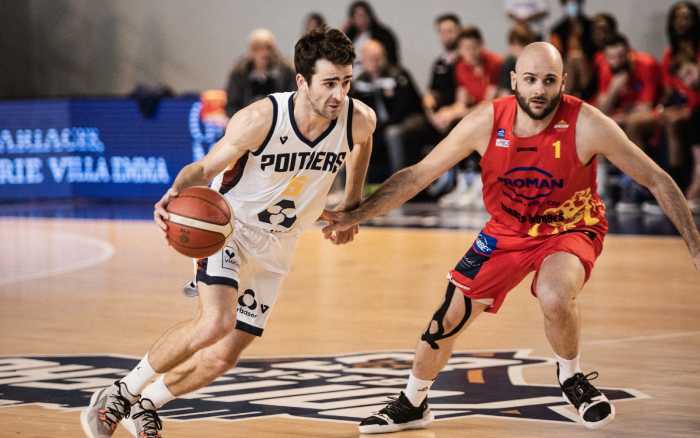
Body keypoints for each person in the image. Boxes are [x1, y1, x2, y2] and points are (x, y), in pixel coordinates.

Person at [322, 42, 700, 434]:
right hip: (505, 231)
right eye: (531, 79)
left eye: (549, 81)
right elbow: (418, 175)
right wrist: (358, 213)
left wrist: (695, 245)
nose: (539, 90)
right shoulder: (486, 121)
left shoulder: (587, 123)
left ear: (563, 83)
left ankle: (570, 377)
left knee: (555, 294)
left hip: (569, 229)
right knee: (446, 318)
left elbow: (656, 178)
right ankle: (414, 401)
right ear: (514, 80)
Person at [81, 27, 376, 438]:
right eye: (329, 83)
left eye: (346, 82)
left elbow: (363, 144)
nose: (339, 95)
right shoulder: (261, 119)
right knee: (215, 323)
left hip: (280, 245)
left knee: (223, 357)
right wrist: (175, 191)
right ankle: (119, 393)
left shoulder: (358, 119)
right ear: (302, 81)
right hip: (230, 228)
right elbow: (205, 167)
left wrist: (352, 204)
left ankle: (148, 405)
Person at [352, 39, 426, 178]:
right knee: (353, 134)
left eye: (378, 58)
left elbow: (404, 107)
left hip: (406, 121)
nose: (375, 62)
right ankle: (351, 188)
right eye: (370, 58)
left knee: (392, 133)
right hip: (377, 125)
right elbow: (356, 109)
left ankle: (398, 182)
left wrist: (381, 126)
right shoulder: (360, 81)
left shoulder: (398, 75)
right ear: (363, 59)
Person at [224, 28, 296, 117]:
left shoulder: (286, 71)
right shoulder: (239, 73)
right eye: (258, 48)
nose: (264, 53)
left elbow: (292, 99)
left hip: (279, 120)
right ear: (251, 51)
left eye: (268, 48)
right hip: (246, 120)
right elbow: (232, 105)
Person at [344, 1, 400, 72]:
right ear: (352, 19)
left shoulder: (382, 34)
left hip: (377, 73)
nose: (362, 20)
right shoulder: (350, 35)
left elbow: (392, 59)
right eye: (358, 16)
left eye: (365, 15)